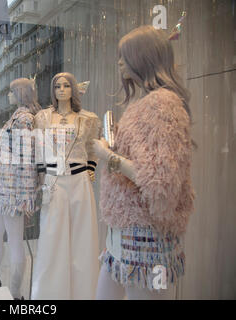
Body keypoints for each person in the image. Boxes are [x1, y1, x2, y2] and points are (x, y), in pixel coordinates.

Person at [92, 26, 194, 300]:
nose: (120, 62)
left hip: (145, 236)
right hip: (124, 232)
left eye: (125, 56)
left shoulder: (162, 105)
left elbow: (159, 181)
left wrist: (106, 155)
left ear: (143, 58)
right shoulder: (146, 103)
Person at [31, 72, 100, 300]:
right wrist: (41, 176)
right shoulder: (42, 118)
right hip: (53, 182)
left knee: (82, 239)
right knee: (52, 239)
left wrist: (91, 168)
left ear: (74, 89)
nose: (61, 89)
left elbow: (92, 147)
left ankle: (83, 294)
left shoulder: (88, 119)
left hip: (80, 181)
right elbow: (39, 150)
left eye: (66, 85)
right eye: (57, 86)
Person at [0, 78, 41, 300]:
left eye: (11, 91)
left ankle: (15, 293)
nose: (8, 95)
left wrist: (26, 197)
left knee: (15, 243)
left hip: (13, 192)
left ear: (20, 92)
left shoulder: (24, 119)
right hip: (3, 190)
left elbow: (26, 160)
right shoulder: (17, 116)